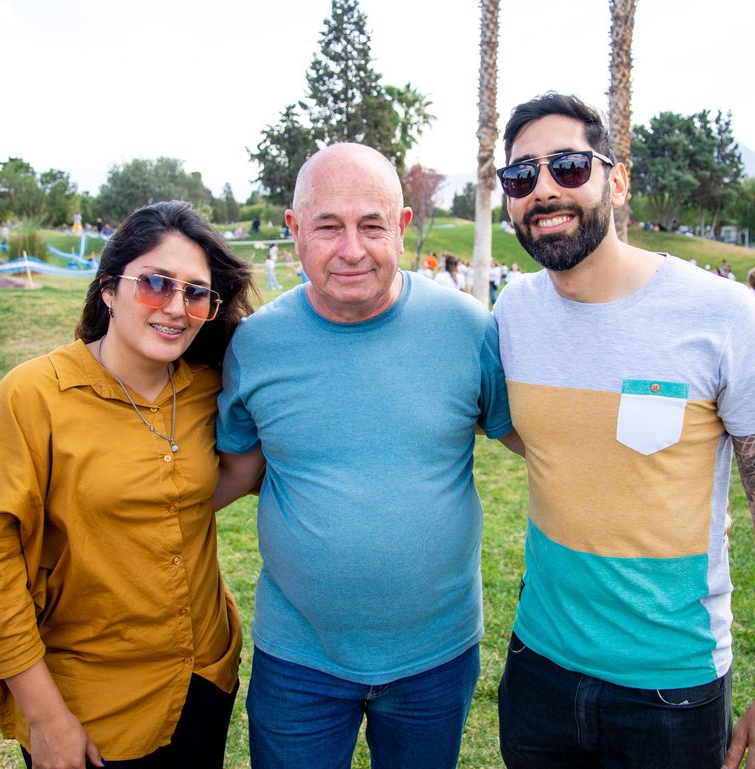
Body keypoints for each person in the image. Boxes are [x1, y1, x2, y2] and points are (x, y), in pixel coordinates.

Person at [489, 92, 755, 769]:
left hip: (672, 688)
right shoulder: (513, 312)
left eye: (569, 166)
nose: (544, 189)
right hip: (538, 669)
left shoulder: (720, 312)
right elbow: (535, 434)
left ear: (617, 178)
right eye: (522, 176)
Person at [213, 143, 520, 769]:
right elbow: (236, 472)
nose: (351, 249)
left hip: (435, 656)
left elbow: (537, 445)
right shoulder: (255, 346)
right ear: (295, 231)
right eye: (328, 226)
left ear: (402, 228)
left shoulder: (469, 329)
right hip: (298, 656)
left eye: (371, 225)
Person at [0, 201, 256, 768]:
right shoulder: (32, 397)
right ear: (109, 290)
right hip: (89, 706)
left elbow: (250, 463)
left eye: (195, 293)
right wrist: (46, 718)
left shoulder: (211, 389)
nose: (175, 307)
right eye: (156, 284)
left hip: (204, 677)